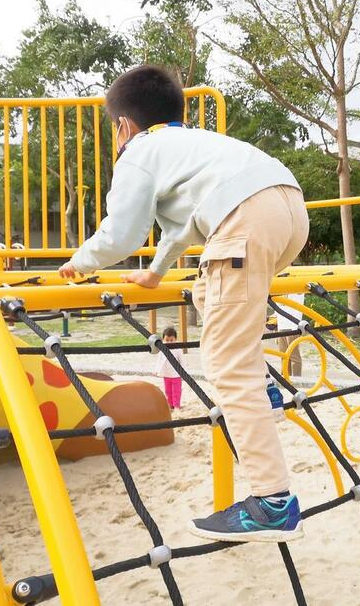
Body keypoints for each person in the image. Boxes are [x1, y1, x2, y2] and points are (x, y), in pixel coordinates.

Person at [58, 65, 308, 542]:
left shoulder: (139, 152)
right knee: (209, 290)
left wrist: (80, 261)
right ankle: (267, 393)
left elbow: (122, 232)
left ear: (123, 126)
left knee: (226, 367)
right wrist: (154, 271)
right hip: (288, 212)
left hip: (244, 220)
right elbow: (183, 226)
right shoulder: (195, 145)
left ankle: (273, 503)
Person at [276, 293, 305, 377]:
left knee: (294, 356)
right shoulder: (279, 290)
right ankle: (285, 378)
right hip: (281, 327)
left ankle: (297, 379)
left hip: (293, 327)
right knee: (283, 356)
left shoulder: (296, 291)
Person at [156, 327, 184, 410]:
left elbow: (182, 361)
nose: (169, 342)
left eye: (171, 340)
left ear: (175, 339)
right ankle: (170, 404)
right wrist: (156, 370)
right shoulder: (162, 349)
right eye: (166, 340)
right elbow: (159, 360)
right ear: (163, 339)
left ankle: (176, 405)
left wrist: (183, 373)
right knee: (168, 391)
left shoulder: (178, 349)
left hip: (176, 375)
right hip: (166, 374)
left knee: (176, 391)